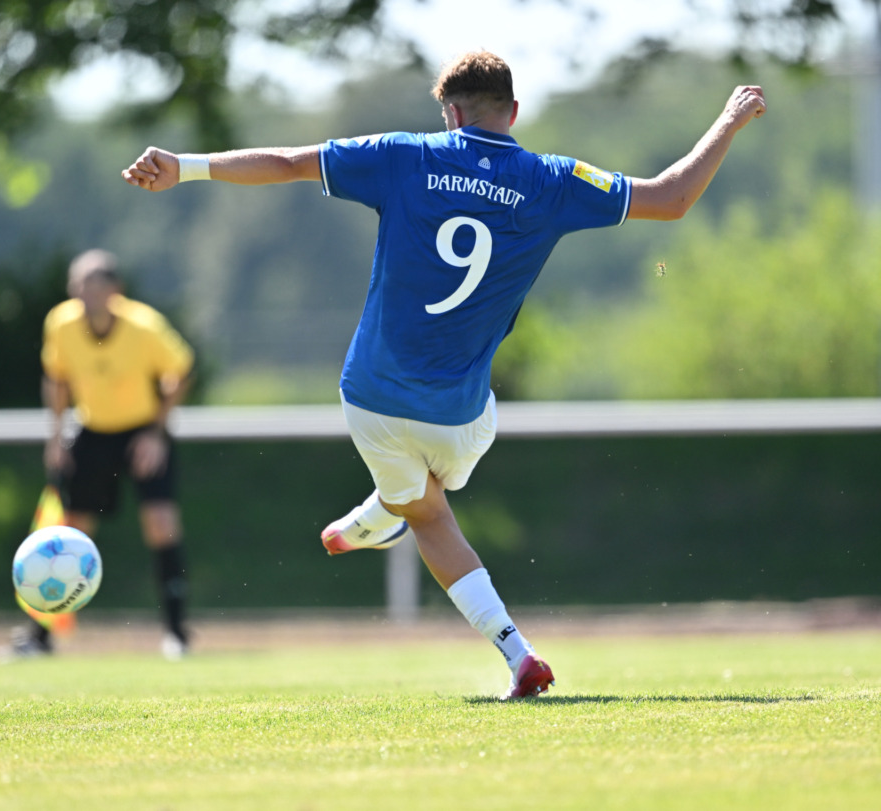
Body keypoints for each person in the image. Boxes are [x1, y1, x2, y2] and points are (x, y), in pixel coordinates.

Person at [121, 51, 766, 697]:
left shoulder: (405, 155)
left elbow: (289, 161)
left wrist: (185, 167)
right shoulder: (553, 179)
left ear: (449, 113)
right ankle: (468, 599)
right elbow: (673, 197)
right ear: (513, 112)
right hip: (462, 419)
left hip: (369, 397)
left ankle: (407, 535)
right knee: (434, 493)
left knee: (424, 508)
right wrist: (730, 121)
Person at [8, 249, 196, 660]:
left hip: (141, 432)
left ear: (116, 290)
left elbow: (181, 372)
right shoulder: (60, 324)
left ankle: (177, 633)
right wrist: (56, 437)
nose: (85, 291)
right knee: (67, 533)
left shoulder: (144, 326)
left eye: (95, 283)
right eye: (79, 283)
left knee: (161, 523)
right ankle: (40, 637)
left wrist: (156, 433)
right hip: (91, 431)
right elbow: (57, 379)